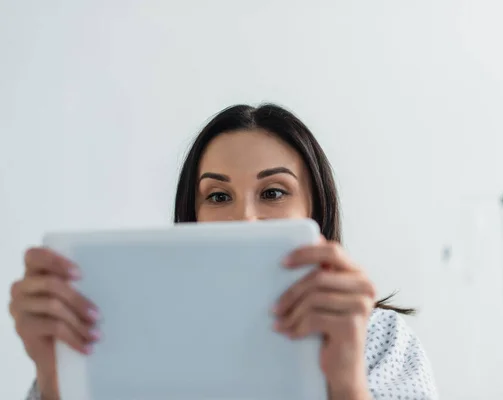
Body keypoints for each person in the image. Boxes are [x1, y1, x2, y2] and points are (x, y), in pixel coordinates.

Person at [10, 104, 438, 400]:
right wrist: (56, 376)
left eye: (273, 192)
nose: (245, 218)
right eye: (217, 197)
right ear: (191, 214)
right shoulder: (125, 340)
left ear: (315, 211)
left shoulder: (380, 338)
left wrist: (345, 379)